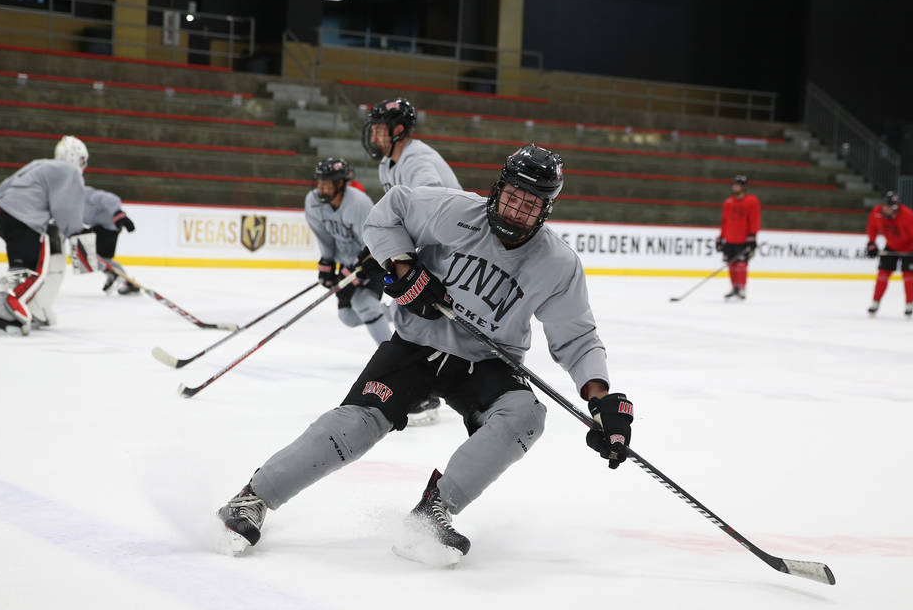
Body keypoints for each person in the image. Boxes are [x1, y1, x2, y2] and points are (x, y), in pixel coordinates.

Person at [217, 144, 634, 564]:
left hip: (485, 362)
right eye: (512, 196)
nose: (515, 211)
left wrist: (601, 400)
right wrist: (403, 268)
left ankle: (432, 514)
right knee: (356, 425)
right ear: (498, 187)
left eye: (531, 205)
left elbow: (577, 338)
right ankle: (252, 498)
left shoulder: (557, 264)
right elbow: (387, 213)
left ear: (546, 209)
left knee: (525, 416)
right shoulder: (453, 210)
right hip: (417, 345)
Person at [363, 96, 462, 423]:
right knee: (410, 316)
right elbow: (396, 214)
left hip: (449, 250)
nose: (375, 136)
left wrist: (400, 255)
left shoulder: (417, 160)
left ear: (399, 129)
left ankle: (425, 395)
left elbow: (430, 208)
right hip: (432, 249)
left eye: (379, 129)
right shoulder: (387, 163)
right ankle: (424, 390)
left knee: (418, 318)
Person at [0, 135, 99, 334]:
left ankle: (0, 315)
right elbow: (65, 208)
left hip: (2, 213)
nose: (83, 165)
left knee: (19, 265)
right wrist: (77, 232)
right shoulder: (70, 172)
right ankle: (5, 305)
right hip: (24, 217)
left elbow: (5, 186)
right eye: (83, 160)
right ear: (76, 157)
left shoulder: (40, 164)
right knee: (33, 269)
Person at [305, 157, 392, 345]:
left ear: (340, 183)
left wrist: (355, 273)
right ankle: (397, 312)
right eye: (319, 183)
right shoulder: (313, 202)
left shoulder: (358, 204)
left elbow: (372, 244)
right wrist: (327, 264)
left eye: (327, 184)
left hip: (372, 260)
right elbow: (325, 238)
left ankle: (391, 356)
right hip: (347, 264)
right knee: (348, 317)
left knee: (366, 305)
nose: (321, 188)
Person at [865, 190, 913, 317]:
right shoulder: (877, 212)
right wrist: (871, 242)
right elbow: (872, 227)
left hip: (910, 248)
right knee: (883, 274)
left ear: (895, 208)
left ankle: (909, 305)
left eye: (889, 207)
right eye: (885, 206)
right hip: (891, 246)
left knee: (909, 276)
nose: (885, 209)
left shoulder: (907, 215)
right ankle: (875, 302)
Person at [362, 96, 462, 193]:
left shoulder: (417, 161)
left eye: (378, 131)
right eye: (373, 131)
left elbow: (430, 204)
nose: (373, 139)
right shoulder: (385, 164)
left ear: (398, 131)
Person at [84, 185, 140, 295]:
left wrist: (118, 215)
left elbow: (112, 199)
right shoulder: (65, 199)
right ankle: (124, 280)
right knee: (99, 258)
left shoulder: (83, 193)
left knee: (95, 257)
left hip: (108, 226)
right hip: (100, 226)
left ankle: (122, 278)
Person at [715, 174, 761, 300]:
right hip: (730, 238)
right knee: (731, 264)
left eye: (738, 185)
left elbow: (754, 219)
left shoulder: (752, 201)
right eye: (734, 185)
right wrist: (720, 238)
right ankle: (734, 287)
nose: (735, 187)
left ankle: (741, 288)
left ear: (744, 187)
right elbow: (724, 222)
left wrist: (752, 236)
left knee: (741, 264)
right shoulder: (728, 202)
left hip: (743, 239)